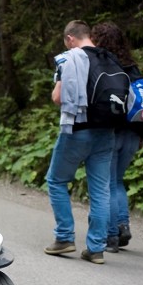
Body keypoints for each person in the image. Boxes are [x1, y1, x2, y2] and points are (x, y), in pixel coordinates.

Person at [44, 20, 116, 264]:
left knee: (55, 181)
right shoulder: (108, 58)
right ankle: (96, 248)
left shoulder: (69, 57)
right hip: (107, 132)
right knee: (100, 191)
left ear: (69, 39)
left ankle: (64, 238)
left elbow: (57, 96)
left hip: (77, 130)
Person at [91, 21, 143, 252]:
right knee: (117, 181)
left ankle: (111, 236)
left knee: (108, 184)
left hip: (110, 132)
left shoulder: (102, 66)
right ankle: (122, 225)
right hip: (133, 132)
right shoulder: (132, 67)